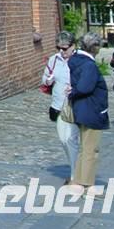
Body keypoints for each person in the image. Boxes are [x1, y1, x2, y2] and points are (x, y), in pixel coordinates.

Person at [67, 31, 110, 192]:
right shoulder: (89, 65)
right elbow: (85, 87)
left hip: (82, 109)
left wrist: (73, 91)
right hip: (91, 109)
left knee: (85, 147)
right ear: (95, 47)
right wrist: (73, 92)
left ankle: (77, 180)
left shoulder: (76, 60)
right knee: (91, 148)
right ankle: (86, 183)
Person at [42, 31, 78, 177]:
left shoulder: (79, 59)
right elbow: (45, 78)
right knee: (64, 140)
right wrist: (48, 80)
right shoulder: (54, 60)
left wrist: (75, 87)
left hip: (74, 105)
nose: (62, 51)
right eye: (59, 48)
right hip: (58, 105)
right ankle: (75, 167)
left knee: (71, 139)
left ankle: (75, 174)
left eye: (65, 48)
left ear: (73, 46)